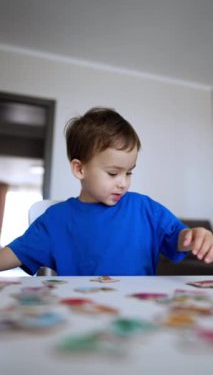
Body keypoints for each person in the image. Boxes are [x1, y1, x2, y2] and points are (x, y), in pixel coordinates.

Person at [0, 107, 212, 275]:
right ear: (80, 169)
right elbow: (15, 254)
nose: (123, 183)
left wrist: (194, 236)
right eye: (113, 173)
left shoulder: (144, 209)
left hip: (138, 312)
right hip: (81, 313)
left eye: (129, 172)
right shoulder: (56, 220)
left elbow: (178, 238)